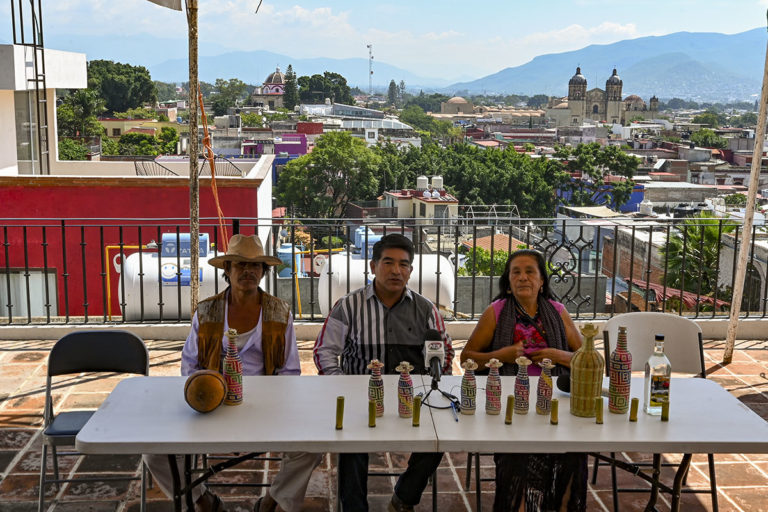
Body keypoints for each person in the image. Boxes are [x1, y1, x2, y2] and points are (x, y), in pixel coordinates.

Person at [144, 234, 322, 512]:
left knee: (311, 446)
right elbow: (190, 365)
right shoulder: (206, 311)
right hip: (212, 403)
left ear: (264, 271)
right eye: (240, 265)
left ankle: (272, 501)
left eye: (255, 266)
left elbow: (290, 370)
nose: (248, 271)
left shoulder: (279, 311)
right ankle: (204, 501)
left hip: (266, 405)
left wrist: (276, 403)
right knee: (154, 453)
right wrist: (204, 397)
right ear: (227, 270)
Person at [313, 233, 454, 512]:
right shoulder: (348, 306)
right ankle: (355, 507)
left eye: (403, 264)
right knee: (350, 447)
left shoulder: (426, 309)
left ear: (411, 271)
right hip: (360, 400)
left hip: (412, 399)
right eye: (388, 262)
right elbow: (324, 352)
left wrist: (432, 378)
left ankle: (404, 497)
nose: (395, 270)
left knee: (438, 441)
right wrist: (343, 386)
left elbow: (445, 353)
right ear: (372, 266)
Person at [460, 249, 586, 512]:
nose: (522, 277)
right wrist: (501, 355)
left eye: (530, 271)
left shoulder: (558, 311)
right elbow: (467, 357)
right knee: (515, 455)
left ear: (542, 281)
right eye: (515, 272)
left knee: (574, 453)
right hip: (510, 402)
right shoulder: (495, 312)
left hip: (555, 402)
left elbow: (588, 359)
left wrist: (557, 355)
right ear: (508, 282)